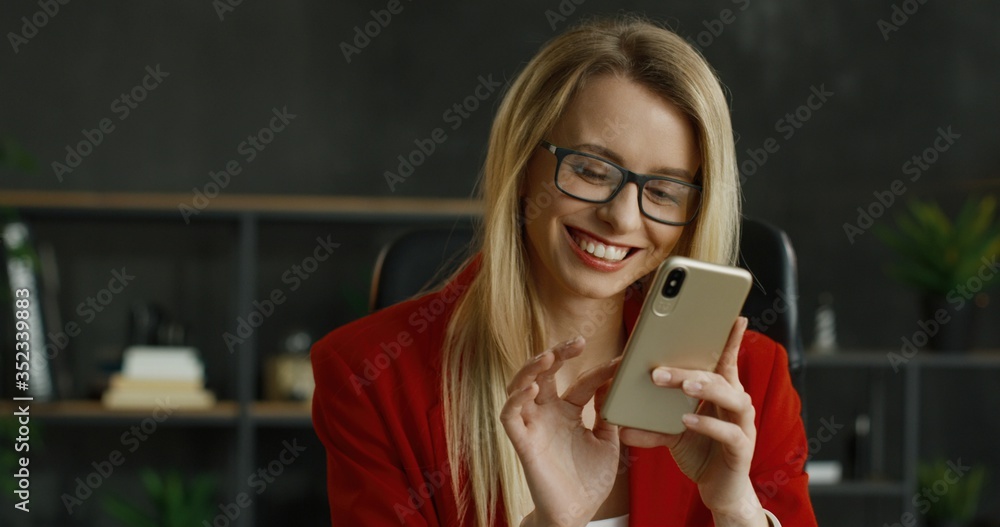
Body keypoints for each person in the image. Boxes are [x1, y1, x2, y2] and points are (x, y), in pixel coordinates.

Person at [311, 15, 818, 527]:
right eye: (591, 171)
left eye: (664, 192)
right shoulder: (368, 373)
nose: (621, 217)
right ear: (522, 166)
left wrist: (737, 512)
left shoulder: (754, 381)